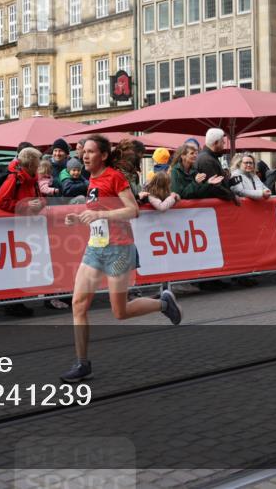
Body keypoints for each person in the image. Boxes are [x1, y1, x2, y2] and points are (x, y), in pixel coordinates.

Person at [60, 135, 182, 383]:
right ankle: (82, 363)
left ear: (103, 155)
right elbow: (97, 210)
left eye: (91, 152)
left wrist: (98, 217)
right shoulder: (91, 178)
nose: (85, 155)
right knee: (78, 304)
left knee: (120, 311)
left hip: (119, 249)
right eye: (84, 151)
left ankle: (163, 304)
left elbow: (132, 210)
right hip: (95, 248)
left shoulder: (115, 177)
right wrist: (79, 216)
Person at [0, 147, 46, 214]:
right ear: (30, 166)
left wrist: (41, 203)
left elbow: (40, 198)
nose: (39, 165)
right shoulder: (14, 178)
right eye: (38, 162)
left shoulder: (33, 178)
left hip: (29, 221)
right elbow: (1, 202)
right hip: (16, 222)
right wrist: (26, 205)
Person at [195, 128, 237, 201]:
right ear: (216, 142)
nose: (224, 143)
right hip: (210, 208)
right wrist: (232, 196)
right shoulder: (206, 160)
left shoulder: (210, 157)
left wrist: (229, 182)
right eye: (222, 141)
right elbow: (215, 187)